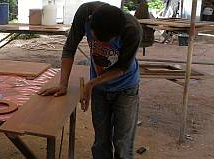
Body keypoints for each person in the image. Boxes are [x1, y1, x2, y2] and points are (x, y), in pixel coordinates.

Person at [37, 1, 142, 159]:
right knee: (100, 141)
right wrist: (62, 84)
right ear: (90, 21)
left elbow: (122, 68)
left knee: (123, 143)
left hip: (126, 88)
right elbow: (69, 48)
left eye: (106, 42)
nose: (99, 45)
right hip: (100, 89)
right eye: (97, 40)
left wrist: (91, 84)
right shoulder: (85, 13)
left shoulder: (132, 30)